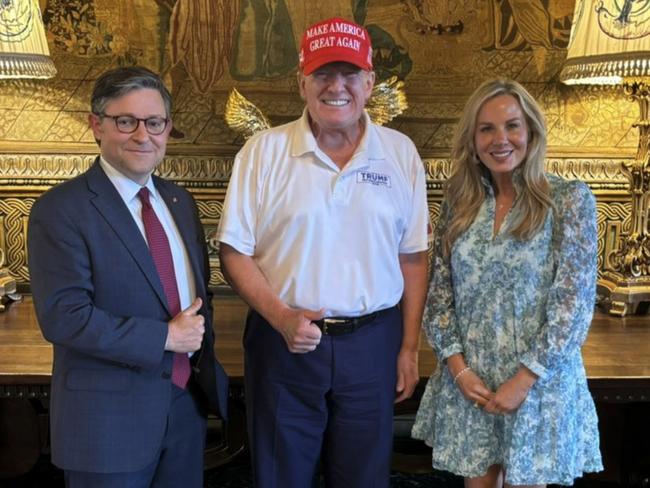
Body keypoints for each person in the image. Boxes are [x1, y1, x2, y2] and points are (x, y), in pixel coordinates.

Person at [217, 17, 429, 488]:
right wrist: (281, 317)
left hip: (373, 343)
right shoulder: (262, 151)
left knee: (363, 477)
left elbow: (413, 257)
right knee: (280, 475)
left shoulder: (400, 153)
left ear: (370, 82)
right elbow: (234, 251)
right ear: (302, 83)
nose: (337, 87)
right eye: (322, 74)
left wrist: (409, 348)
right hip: (282, 342)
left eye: (350, 74)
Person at [28, 66, 228, 488]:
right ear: (96, 125)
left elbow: (194, 295)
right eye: (126, 121)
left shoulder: (179, 201)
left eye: (154, 122)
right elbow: (64, 317)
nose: (143, 135)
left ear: (167, 128)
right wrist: (165, 339)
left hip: (183, 410)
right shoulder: (61, 210)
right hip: (106, 425)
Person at [412, 78, 603, 486]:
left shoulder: (568, 201)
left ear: (531, 131)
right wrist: (460, 371)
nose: (501, 139)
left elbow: (573, 307)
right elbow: (439, 298)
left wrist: (525, 379)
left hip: (537, 389)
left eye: (512, 126)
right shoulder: (460, 204)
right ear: (473, 139)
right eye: (487, 129)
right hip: (472, 386)